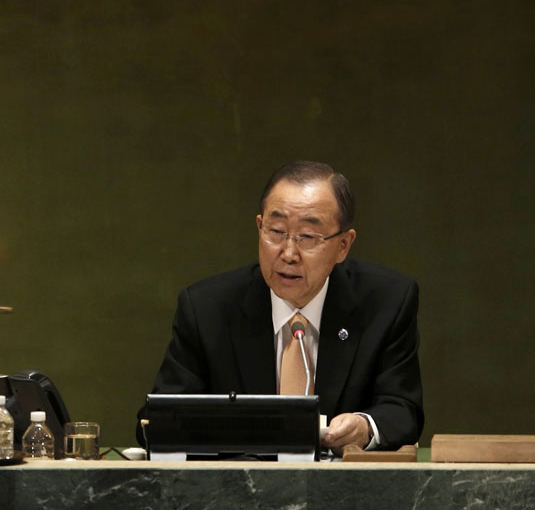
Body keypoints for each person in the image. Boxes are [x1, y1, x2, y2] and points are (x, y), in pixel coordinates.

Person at [141, 161, 423, 452]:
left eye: (308, 237)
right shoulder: (206, 308)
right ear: (259, 226)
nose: (288, 253)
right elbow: (158, 421)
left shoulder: (386, 302)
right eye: (275, 231)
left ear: (343, 246)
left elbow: (403, 410)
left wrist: (365, 427)